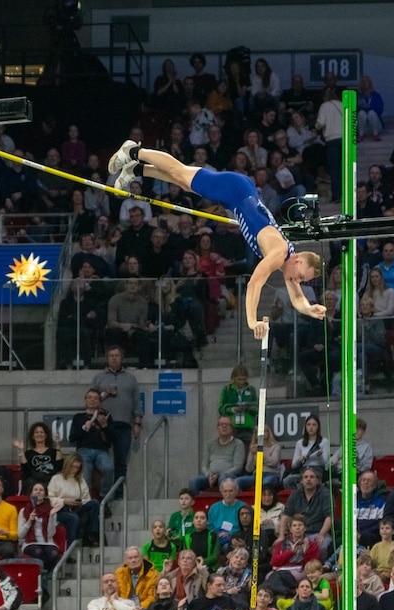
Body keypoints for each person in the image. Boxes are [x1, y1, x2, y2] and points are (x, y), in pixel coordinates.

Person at [108, 141, 324, 342]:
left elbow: (297, 298)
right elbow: (254, 283)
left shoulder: (288, 261)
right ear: (298, 262)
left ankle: (136, 170)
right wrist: (252, 321)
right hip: (235, 190)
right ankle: (133, 151)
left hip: (238, 195)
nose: (299, 281)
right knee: (180, 171)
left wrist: (309, 309)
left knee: (183, 181)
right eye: (302, 276)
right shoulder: (279, 252)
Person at [91, 347, 142, 489]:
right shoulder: (98, 378)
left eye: (117, 355)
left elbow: (137, 402)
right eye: (111, 355)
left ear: (122, 358)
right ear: (107, 359)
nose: (114, 358)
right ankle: (103, 492)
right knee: (102, 461)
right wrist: (104, 393)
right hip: (102, 425)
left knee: (121, 461)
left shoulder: (131, 378)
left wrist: (137, 423)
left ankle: (119, 492)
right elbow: (91, 399)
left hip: (124, 424)